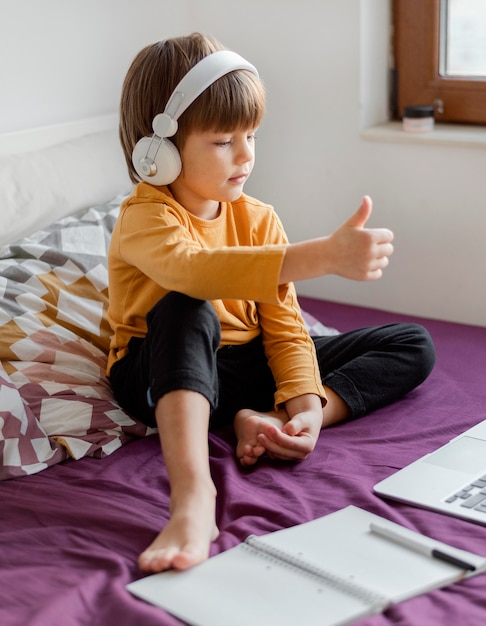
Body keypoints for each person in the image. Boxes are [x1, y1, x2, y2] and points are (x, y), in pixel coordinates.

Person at [107, 32, 436, 574]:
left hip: (244, 370)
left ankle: (267, 421)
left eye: (252, 136)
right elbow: (195, 270)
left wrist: (306, 407)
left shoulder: (258, 218)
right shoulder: (144, 218)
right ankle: (193, 500)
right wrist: (322, 256)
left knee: (411, 343)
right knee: (186, 304)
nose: (245, 155)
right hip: (161, 369)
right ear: (159, 150)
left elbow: (285, 327)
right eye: (222, 141)